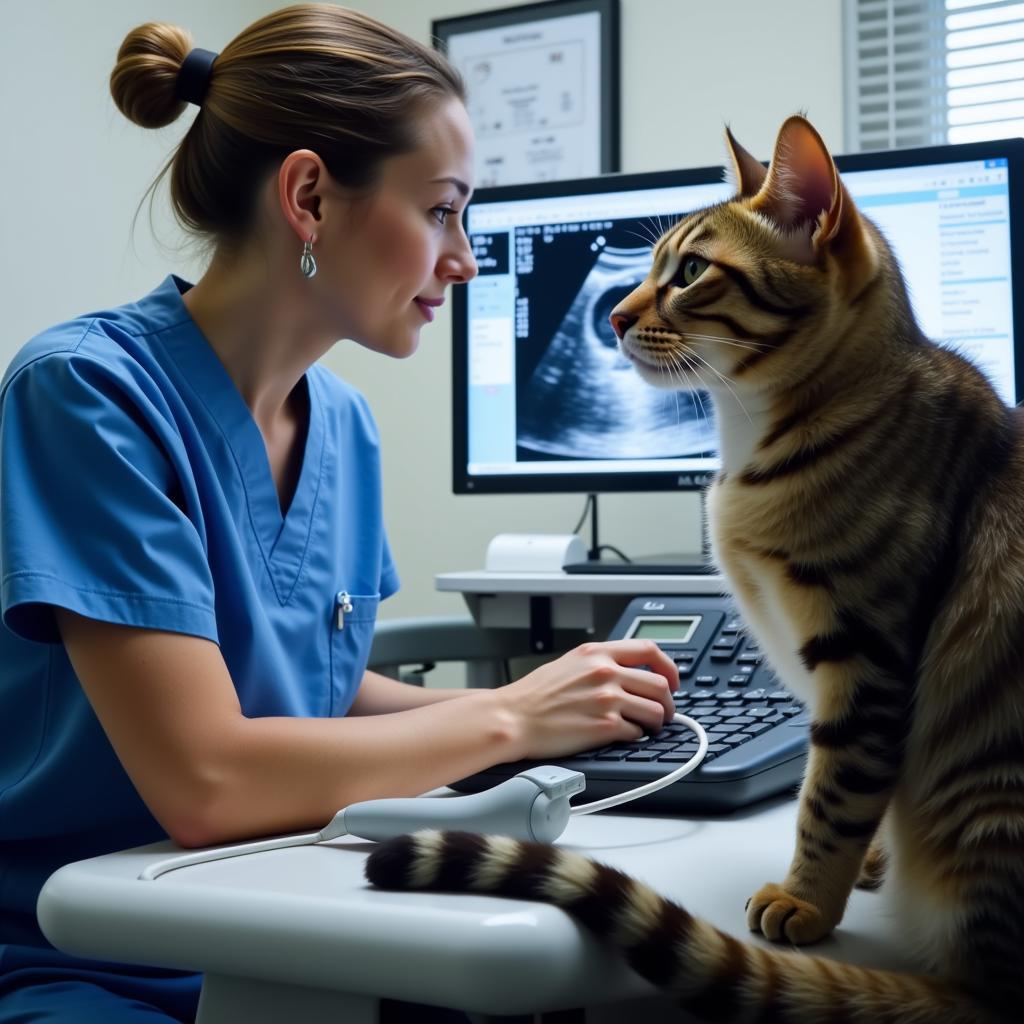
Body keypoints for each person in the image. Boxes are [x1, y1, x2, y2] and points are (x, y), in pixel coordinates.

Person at [0, 5, 677, 1021]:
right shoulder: (86, 395)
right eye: (444, 209)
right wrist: (503, 715)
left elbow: (315, 684)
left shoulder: (345, 426)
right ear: (309, 196)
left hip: (286, 917)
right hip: (89, 950)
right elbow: (207, 777)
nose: (466, 259)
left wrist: (554, 716)